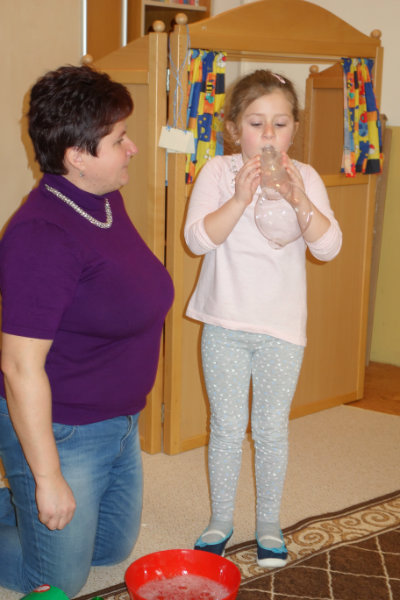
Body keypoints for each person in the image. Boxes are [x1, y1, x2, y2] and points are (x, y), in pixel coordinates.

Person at [0, 65, 174, 597]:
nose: (132, 148)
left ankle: (20, 502)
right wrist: (48, 478)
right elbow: (19, 367)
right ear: (77, 156)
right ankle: (29, 486)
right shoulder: (41, 235)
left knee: (110, 550)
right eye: (119, 139)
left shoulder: (102, 200)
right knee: (57, 580)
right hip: (63, 428)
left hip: (119, 422)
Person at [184, 70, 342, 567]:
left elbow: (328, 247)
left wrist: (298, 197)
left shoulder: (306, 177)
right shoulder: (217, 171)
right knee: (227, 428)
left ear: (294, 128)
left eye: (280, 123)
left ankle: (269, 524)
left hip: (281, 330)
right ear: (235, 129)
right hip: (225, 325)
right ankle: (220, 520)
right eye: (256, 124)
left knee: (271, 431)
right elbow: (197, 240)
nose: (269, 134)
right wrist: (239, 197)